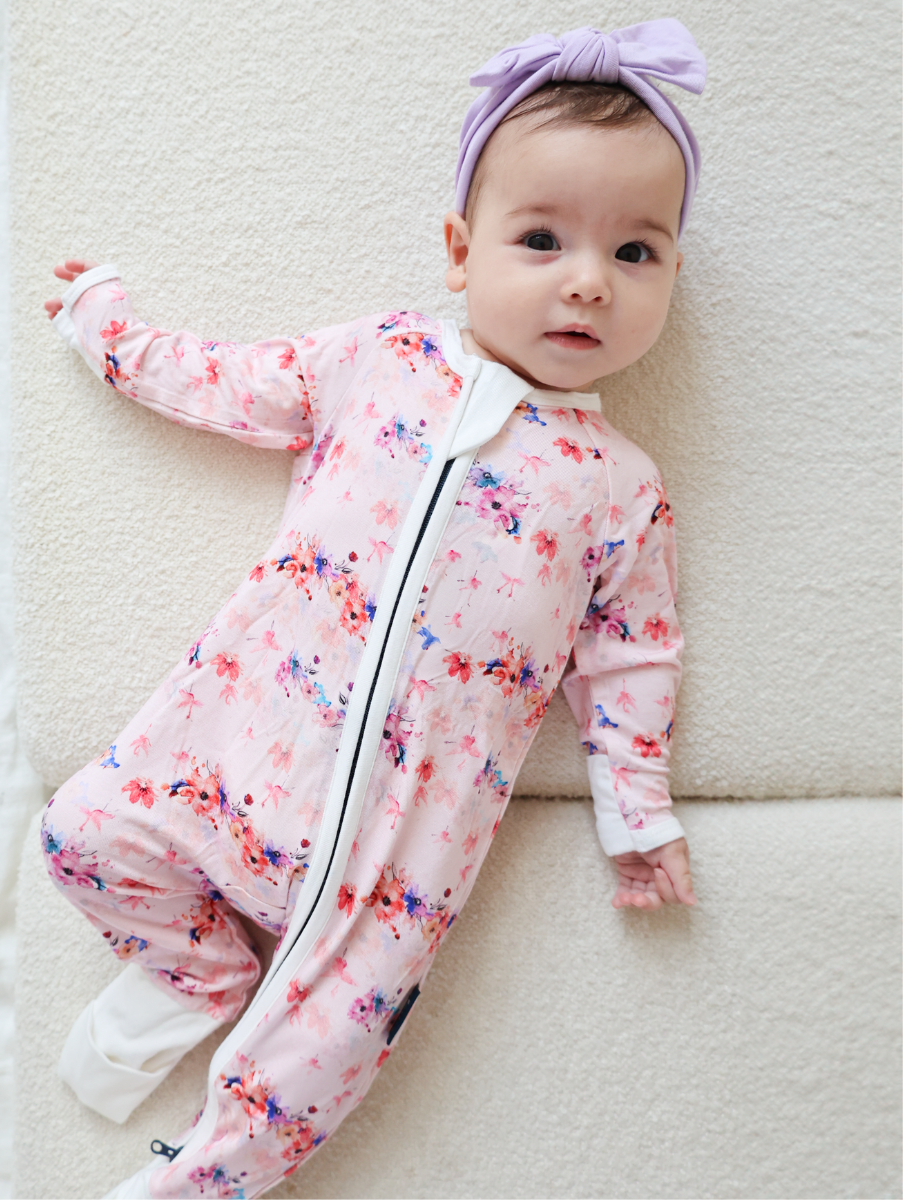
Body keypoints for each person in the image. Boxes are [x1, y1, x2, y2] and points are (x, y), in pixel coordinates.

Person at [41, 20, 704, 1198]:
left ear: (670, 278)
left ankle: (194, 1184)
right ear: (459, 249)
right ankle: (198, 972)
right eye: (541, 238)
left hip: (408, 841)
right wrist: (107, 328)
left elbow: (634, 657)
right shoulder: (380, 360)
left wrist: (637, 811)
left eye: (636, 251)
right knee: (80, 833)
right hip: (236, 750)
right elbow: (227, 383)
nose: (588, 280)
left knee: (322, 1059)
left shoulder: (621, 489)